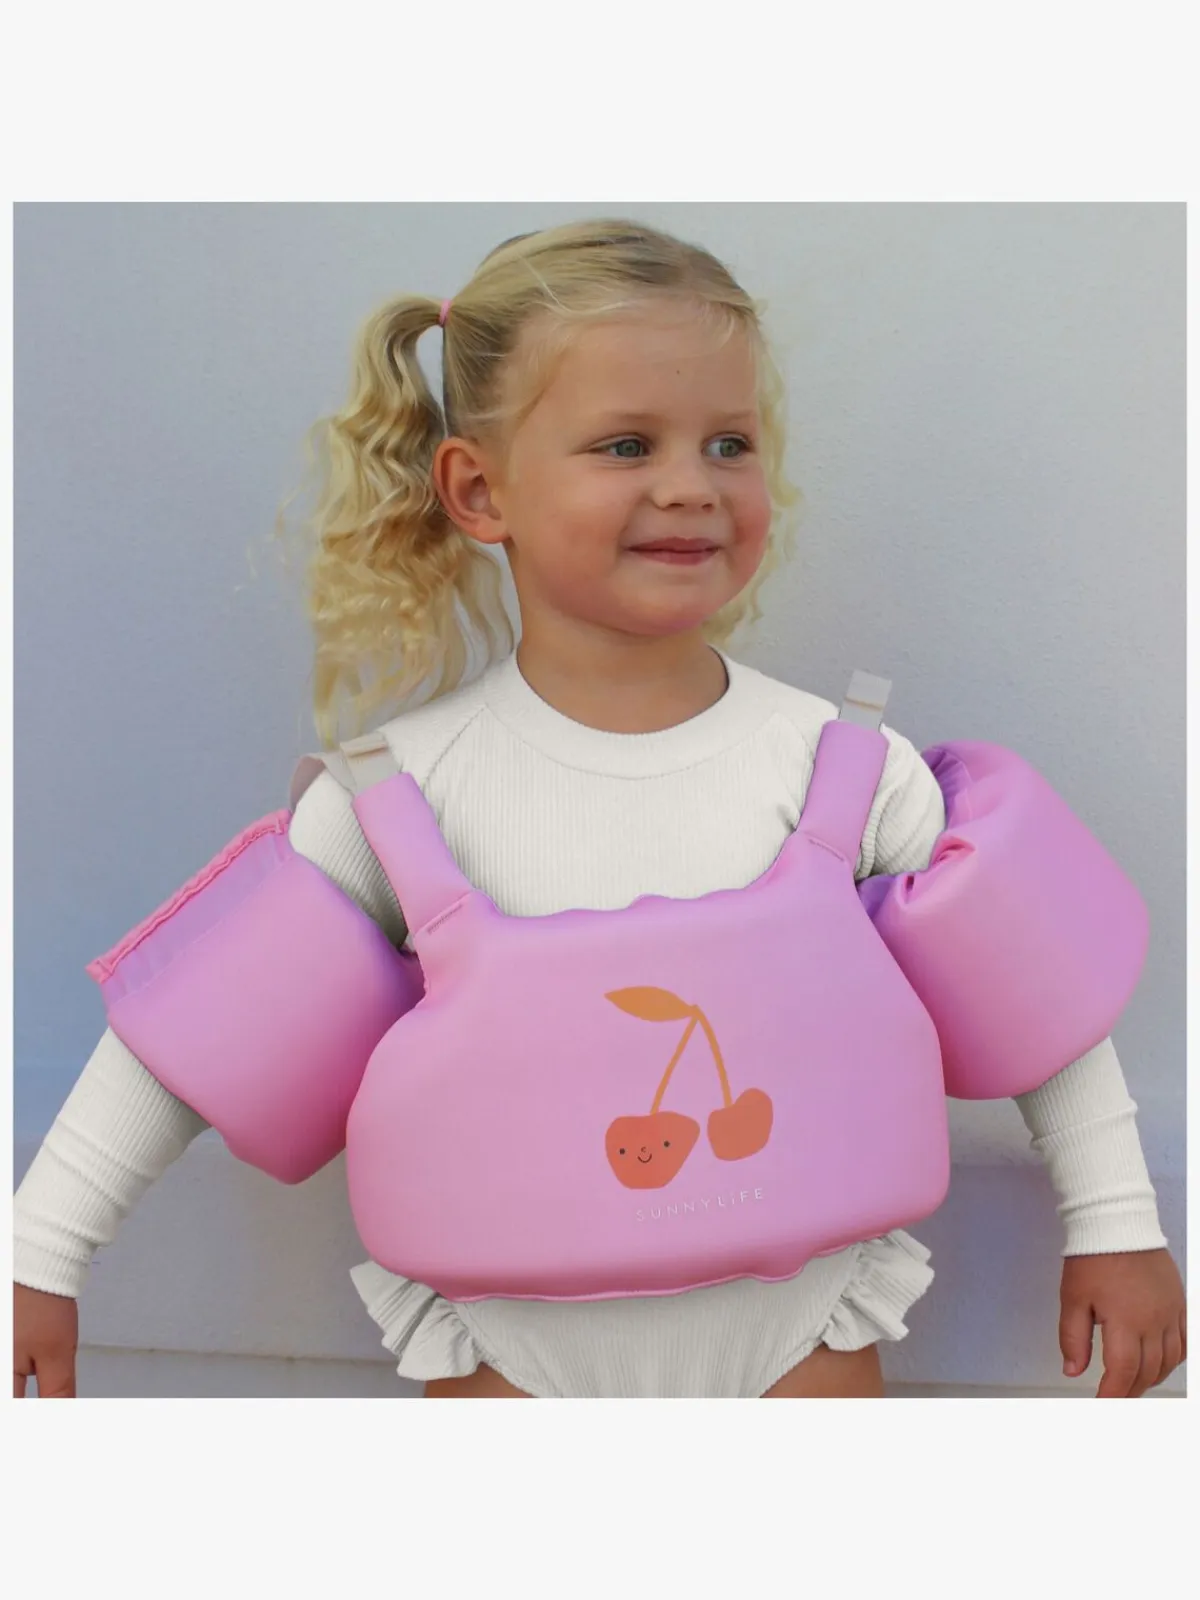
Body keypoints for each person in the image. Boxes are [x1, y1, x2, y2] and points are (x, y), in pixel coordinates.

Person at [12, 218, 1186, 1399]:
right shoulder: (397, 795)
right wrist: (37, 1257)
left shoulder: (848, 768)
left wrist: (1116, 1222)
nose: (691, 485)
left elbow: (1040, 1008)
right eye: (628, 444)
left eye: (729, 443)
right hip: (512, 1354)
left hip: (803, 1331)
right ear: (479, 490)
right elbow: (182, 1048)